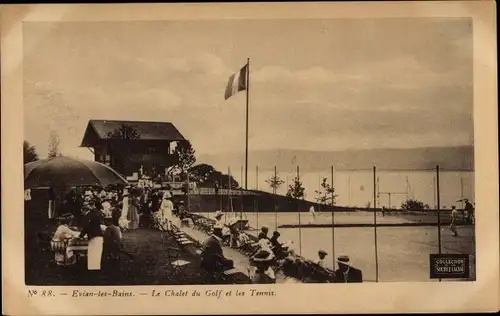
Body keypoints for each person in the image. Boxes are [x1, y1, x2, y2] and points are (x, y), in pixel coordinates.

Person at [80, 205, 105, 273]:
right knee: (96, 253)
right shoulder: (93, 214)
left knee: (93, 252)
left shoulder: (89, 216)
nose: (82, 213)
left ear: (85, 210)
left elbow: (86, 227)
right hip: (97, 235)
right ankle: (95, 269)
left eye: (82, 211)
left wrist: (80, 236)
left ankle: (93, 270)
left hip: (94, 236)